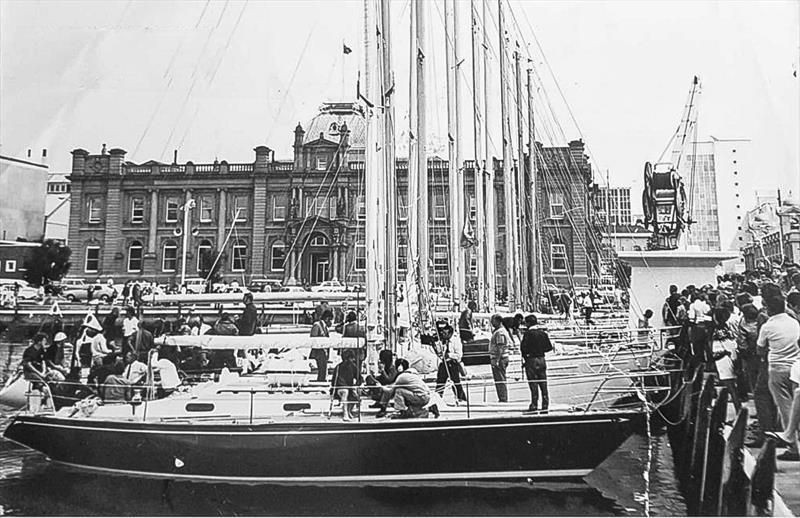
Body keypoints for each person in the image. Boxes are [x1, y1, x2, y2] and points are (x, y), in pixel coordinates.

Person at [757, 294, 800, 460]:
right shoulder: (794, 322)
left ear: (768, 308)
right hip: (796, 367)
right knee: (796, 405)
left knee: (785, 408)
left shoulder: (768, 326)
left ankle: (793, 447)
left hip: (777, 368)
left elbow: (760, 348)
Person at [711, 306, 742, 413]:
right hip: (726, 358)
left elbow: (728, 347)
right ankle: (738, 409)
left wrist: (732, 358)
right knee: (732, 386)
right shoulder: (726, 329)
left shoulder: (719, 331)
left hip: (724, 360)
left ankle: (739, 411)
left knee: (731, 387)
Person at [520, 314, 553, 412]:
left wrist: (526, 357)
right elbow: (549, 347)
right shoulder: (542, 333)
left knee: (533, 383)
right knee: (543, 383)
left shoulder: (528, 334)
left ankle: (534, 404)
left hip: (531, 360)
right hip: (541, 359)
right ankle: (545, 403)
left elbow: (523, 348)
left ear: (528, 323)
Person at [433, 320, 466, 402]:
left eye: (445, 334)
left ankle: (461, 398)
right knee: (440, 382)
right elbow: (440, 354)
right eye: (442, 334)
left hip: (452, 363)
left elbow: (459, 355)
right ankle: (437, 399)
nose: (443, 335)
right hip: (444, 364)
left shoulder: (456, 341)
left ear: (450, 333)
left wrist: (450, 355)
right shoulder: (443, 341)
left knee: (456, 382)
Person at [736, 303, 761, 394]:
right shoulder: (763, 320)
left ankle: (754, 391)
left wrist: (743, 350)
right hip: (761, 351)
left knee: (751, 373)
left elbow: (742, 341)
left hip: (750, 353)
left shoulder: (743, 324)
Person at [331, 349, 361, 421]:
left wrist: (357, 385)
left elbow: (359, 378)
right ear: (346, 358)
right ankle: (345, 414)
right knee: (345, 391)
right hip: (339, 389)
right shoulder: (338, 367)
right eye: (351, 358)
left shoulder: (353, 366)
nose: (353, 359)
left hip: (350, 388)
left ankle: (349, 410)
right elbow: (335, 381)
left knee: (356, 396)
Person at [489, 314, 511, 403]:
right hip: (498, 358)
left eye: (493, 321)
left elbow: (500, 347)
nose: (491, 323)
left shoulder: (500, 332)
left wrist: (497, 360)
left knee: (500, 379)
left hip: (500, 359)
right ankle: (502, 397)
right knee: (498, 379)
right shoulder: (497, 331)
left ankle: (503, 398)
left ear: (498, 321)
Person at [310, 309, 333, 382]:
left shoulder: (325, 327)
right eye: (331, 320)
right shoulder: (317, 325)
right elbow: (313, 339)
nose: (331, 322)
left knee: (323, 371)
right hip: (319, 352)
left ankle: (321, 383)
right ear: (327, 319)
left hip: (323, 353)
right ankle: (320, 384)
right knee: (322, 371)